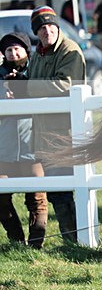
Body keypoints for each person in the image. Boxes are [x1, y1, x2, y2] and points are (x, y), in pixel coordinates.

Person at [27, 6, 86, 243]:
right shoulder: (38, 54)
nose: (47, 31)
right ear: (36, 32)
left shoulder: (69, 50)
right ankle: (71, 240)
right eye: (42, 28)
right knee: (56, 191)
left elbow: (65, 84)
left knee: (65, 190)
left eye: (51, 25)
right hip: (44, 134)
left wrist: (27, 87)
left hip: (65, 133)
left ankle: (76, 241)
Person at [0, 32, 48, 248]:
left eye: (17, 49)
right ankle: (16, 240)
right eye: (9, 50)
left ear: (26, 51)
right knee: (1, 198)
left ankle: (36, 244)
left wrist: (24, 89)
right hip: (4, 149)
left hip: (33, 147)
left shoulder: (35, 75)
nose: (13, 53)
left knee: (37, 198)